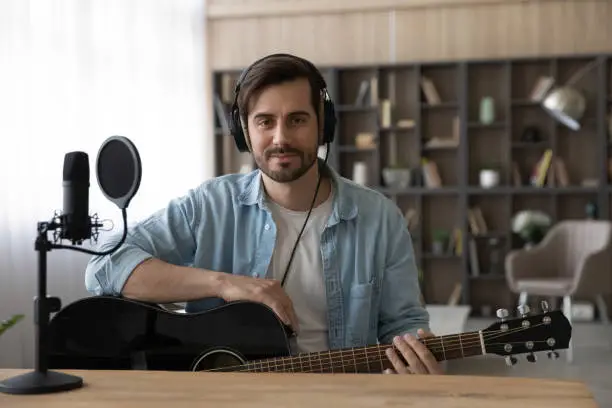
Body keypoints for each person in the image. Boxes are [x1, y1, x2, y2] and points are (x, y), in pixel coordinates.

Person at [85, 53, 443, 375]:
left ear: (324, 124)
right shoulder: (209, 206)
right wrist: (226, 284)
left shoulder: (381, 217)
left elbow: (404, 324)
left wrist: (413, 363)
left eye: (297, 120)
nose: (280, 138)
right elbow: (105, 267)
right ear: (244, 131)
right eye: (265, 121)